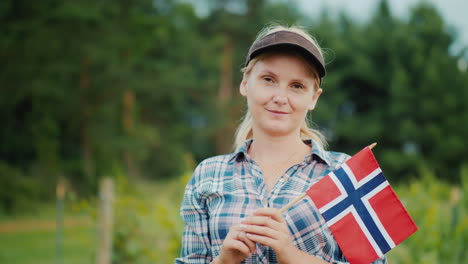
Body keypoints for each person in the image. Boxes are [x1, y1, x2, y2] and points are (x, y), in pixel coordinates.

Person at [175, 25, 387, 264]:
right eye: (268, 79)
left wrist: (292, 255)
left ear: (314, 97)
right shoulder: (208, 174)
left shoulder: (344, 174)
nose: (280, 97)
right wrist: (224, 261)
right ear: (245, 83)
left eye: (296, 86)